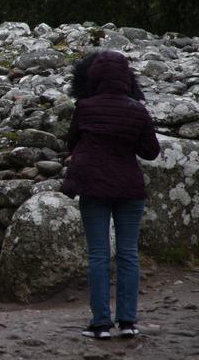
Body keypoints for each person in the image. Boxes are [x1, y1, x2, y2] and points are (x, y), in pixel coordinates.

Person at [62, 50, 160, 340]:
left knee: (99, 255)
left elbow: (73, 144)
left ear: (94, 76)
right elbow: (150, 152)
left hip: (94, 188)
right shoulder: (137, 110)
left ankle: (101, 323)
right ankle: (128, 322)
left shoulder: (85, 108)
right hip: (130, 189)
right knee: (129, 254)